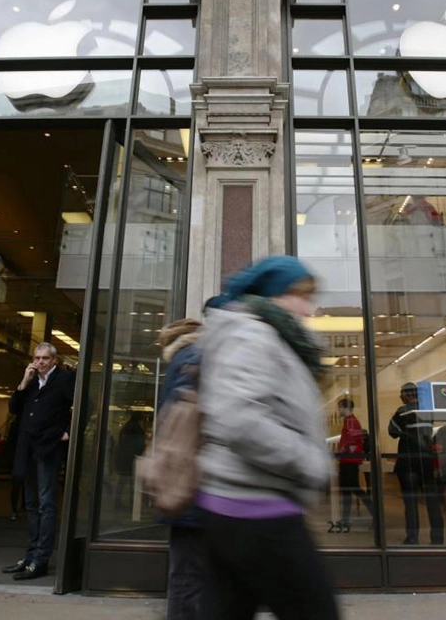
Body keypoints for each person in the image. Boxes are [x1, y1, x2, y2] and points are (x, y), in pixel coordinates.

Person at [197, 256, 340, 620]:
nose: (309, 308)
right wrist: (310, 462)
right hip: (257, 506)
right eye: (300, 296)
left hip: (238, 504)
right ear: (274, 295)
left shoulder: (265, 335)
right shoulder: (252, 333)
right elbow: (239, 419)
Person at [2, 342, 76, 580]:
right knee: (31, 504)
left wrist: (68, 431)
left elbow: (86, 406)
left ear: (54, 360)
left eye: (45, 358)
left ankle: (41, 558)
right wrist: (24, 381)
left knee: (46, 504)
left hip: (48, 447)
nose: (41, 362)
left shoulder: (64, 379)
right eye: (37, 358)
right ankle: (30, 554)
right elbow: (14, 407)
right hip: (27, 448)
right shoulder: (31, 381)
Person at [155, 317, 205, 620]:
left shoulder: (180, 359)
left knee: (187, 575)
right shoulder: (194, 359)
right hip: (192, 488)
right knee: (189, 578)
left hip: (183, 486)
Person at [388, 382, 444, 545]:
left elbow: (392, 431)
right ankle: (437, 538)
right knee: (432, 501)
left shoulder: (402, 412)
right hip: (427, 461)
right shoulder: (428, 411)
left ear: (405, 395)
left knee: (411, 502)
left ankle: (412, 537)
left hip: (408, 462)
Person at [332, 396, 373, 533]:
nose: (339, 410)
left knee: (353, 489)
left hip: (349, 461)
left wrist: (341, 451)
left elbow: (351, 443)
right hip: (348, 460)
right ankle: (345, 519)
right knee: (348, 491)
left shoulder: (351, 422)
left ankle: (375, 514)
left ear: (345, 407)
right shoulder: (349, 422)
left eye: (340, 407)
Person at [112, 412, 146, 510]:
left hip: (124, 458)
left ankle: (117, 502)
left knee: (122, 481)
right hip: (132, 458)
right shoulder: (137, 429)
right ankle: (133, 504)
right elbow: (139, 445)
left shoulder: (126, 428)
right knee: (133, 483)